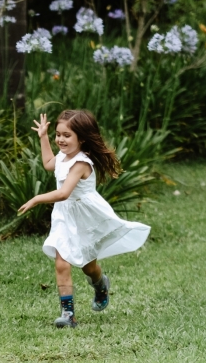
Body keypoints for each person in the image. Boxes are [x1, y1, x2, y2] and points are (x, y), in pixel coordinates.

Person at [18, 110, 150, 328]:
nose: (60, 139)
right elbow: (49, 163)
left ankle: (100, 285)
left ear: (82, 138)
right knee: (62, 263)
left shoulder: (81, 163)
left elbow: (63, 193)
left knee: (88, 266)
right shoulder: (63, 156)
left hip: (85, 216)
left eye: (67, 135)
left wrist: (36, 199)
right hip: (64, 216)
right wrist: (43, 136)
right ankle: (68, 314)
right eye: (58, 134)